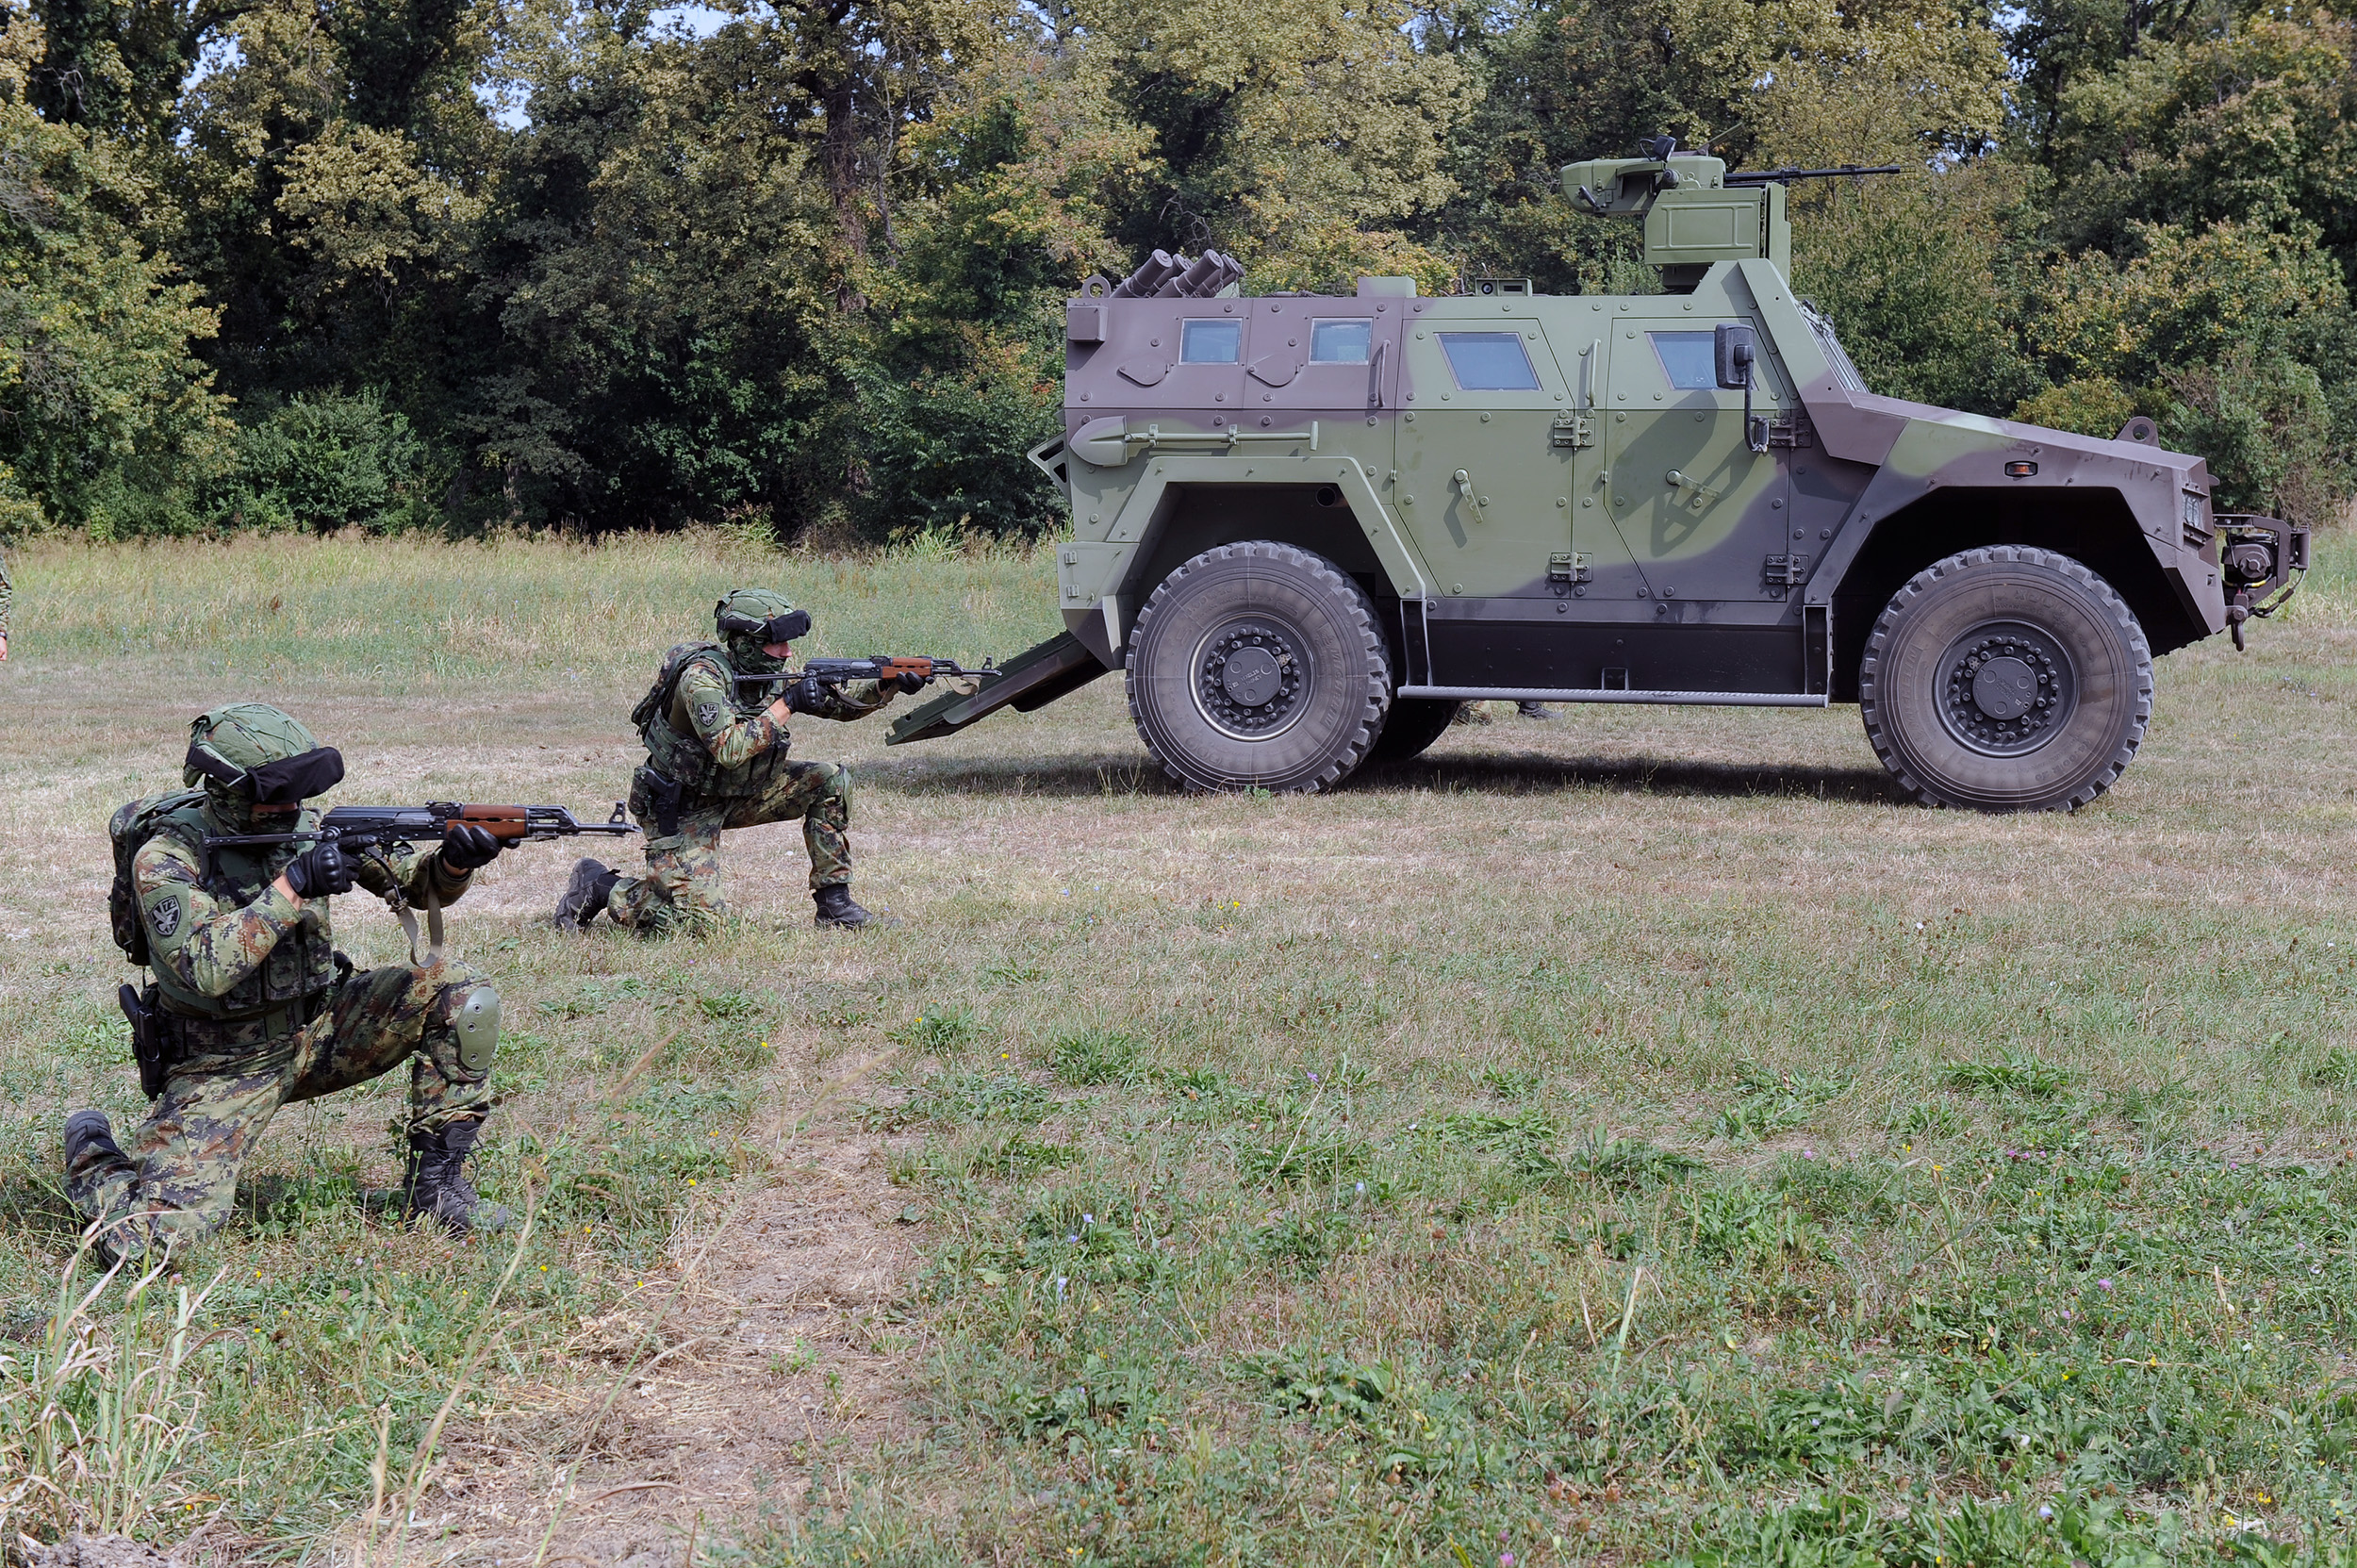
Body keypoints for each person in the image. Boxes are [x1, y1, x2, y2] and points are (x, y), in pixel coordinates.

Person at [64, 704, 513, 1261]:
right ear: (228, 788)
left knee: (460, 994)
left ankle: (438, 1191)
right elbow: (205, 969)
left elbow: (415, 888)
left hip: (317, 1030)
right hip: (221, 1062)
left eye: (297, 794)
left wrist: (452, 866)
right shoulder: (167, 856)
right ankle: (91, 1151)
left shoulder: (309, 829)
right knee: (157, 1245)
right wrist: (293, 886)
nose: (292, 808)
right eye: (277, 796)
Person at [554, 589, 919, 933]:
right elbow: (729, 750)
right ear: (746, 641)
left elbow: (843, 708)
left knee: (830, 780)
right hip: (681, 808)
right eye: (778, 643)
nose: (788, 653)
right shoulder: (702, 680)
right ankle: (602, 885)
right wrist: (788, 703)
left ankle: (835, 906)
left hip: (740, 792)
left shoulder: (767, 674)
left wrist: (888, 686)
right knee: (700, 924)